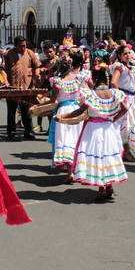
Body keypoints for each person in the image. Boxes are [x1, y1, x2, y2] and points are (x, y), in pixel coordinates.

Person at [55, 63, 129, 201]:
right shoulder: (115, 93)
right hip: (109, 129)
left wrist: (62, 116)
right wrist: (113, 119)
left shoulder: (91, 94)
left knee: (96, 157)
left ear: (94, 78)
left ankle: (102, 188)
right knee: (107, 156)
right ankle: (109, 185)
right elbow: (125, 109)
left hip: (93, 130)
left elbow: (79, 111)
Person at [46, 51, 83, 183]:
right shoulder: (78, 81)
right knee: (76, 139)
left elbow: (52, 101)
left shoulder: (57, 82)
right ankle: (77, 170)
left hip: (63, 111)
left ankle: (69, 172)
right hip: (76, 111)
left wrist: (41, 105)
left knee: (65, 139)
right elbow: (83, 96)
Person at [4, 35, 41, 140]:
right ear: (15, 46)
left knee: (26, 111)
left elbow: (37, 66)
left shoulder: (30, 53)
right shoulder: (8, 54)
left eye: (25, 46)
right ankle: (11, 132)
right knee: (11, 111)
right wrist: (5, 81)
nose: (23, 48)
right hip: (12, 87)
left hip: (26, 86)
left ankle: (28, 131)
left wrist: (37, 73)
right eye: (21, 46)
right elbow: (3, 68)